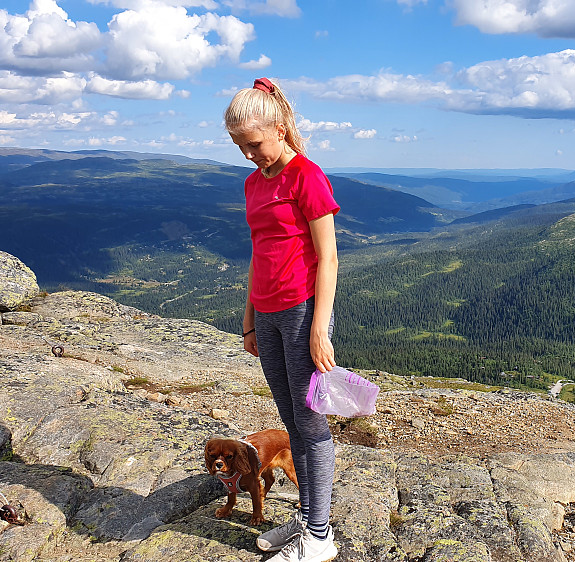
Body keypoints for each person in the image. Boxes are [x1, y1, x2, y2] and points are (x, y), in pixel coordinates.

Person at [225, 77, 339, 562]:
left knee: (311, 427)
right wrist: (249, 320)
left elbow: (329, 256)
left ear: (278, 127)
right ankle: (306, 520)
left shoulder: (307, 176)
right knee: (293, 424)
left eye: (253, 144)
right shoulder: (254, 183)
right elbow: (258, 251)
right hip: (268, 315)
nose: (249, 155)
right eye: (239, 147)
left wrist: (319, 329)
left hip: (301, 311)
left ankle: (319, 536)